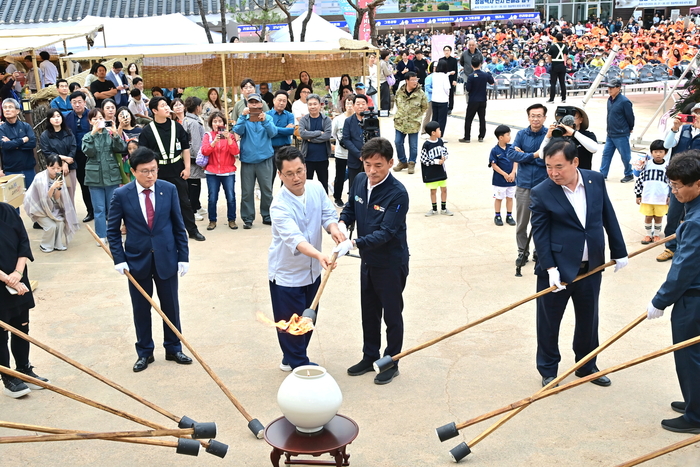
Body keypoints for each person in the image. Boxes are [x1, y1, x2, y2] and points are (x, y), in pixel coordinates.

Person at [530, 139, 628, 388]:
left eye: (559, 166)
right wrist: (550, 268)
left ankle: (586, 366)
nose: (553, 173)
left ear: (575, 162)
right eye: (548, 166)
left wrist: (620, 251)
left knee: (589, 318)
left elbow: (608, 215)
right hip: (557, 271)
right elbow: (540, 234)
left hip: (591, 266)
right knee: (549, 322)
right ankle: (549, 370)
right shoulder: (542, 191)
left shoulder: (595, 181)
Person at [106, 147, 192, 372]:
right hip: (136, 260)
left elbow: (178, 226)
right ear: (133, 171)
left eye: (154, 170)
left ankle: (174, 348)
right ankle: (145, 352)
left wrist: (183, 256)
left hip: (166, 258)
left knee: (171, 306)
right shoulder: (122, 195)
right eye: (145, 171)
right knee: (141, 309)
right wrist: (119, 259)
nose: (151, 176)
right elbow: (113, 231)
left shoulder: (168, 189)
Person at [335, 137, 409, 385]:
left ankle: (391, 361)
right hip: (367, 260)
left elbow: (387, 232)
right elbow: (350, 208)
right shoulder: (358, 180)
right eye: (367, 164)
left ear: (390, 162)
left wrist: (354, 243)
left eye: (378, 165)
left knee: (391, 314)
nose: (372, 171)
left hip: (390, 262)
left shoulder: (397, 194)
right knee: (369, 311)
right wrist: (343, 225)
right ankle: (370, 355)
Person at [268, 146, 343, 370]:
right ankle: (300, 367)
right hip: (287, 275)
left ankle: (290, 357)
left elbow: (328, 214)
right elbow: (296, 240)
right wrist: (320, 254)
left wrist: (334, 229)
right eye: (289, 174)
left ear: (305, 168)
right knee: (292, 325)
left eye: (299, 171)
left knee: (308, 320)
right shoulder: (279, 205)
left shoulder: (316, 187)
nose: (296, 178)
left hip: (313, 272)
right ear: (279, 175)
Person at [645, 151, 700, 434]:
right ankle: (695, 402)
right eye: (672, 185)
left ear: (698, 184)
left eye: (679, 186)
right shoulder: (693, 212)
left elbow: (684, 267)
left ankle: (696, 416)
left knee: (689, 355)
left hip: (694, 299)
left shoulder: (696, 221)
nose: (674, 191)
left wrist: (660, 300)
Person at [0, 202, 50, 399]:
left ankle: (24, 369)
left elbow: (23, 242)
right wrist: (7, 278)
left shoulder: (8, 211)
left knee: (22, 327)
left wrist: (18, 273)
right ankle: (8, 377)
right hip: (3, 282)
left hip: (19, 278)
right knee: (2, 333)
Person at [139, 96, 206, 241]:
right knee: (159, 204)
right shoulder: (147, 131)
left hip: (177, 169)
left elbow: (185, 148)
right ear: (154, 110)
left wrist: (187, 168)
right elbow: (144, 155)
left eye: (166, 105)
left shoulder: (177, 126)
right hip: (158, 172)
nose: (167, 108)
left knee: (184, 202)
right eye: (162, 106)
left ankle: (192, 231)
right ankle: (161, 233)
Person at [507, 103, 548, 266]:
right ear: (528, 117)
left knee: (540, 222)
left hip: (542, 186)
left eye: (539, 116)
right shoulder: (521, 134)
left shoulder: (549, 136)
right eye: (533, 115)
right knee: (522, 223)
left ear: (544, 117)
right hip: (523, 185)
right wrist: (535, 156)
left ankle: (540, 252)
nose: (535, 119)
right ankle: (522, 252)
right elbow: (511, 154)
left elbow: (548, 160)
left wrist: (525, 156)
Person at [658, 104, 700, 262]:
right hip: (679, 181)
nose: (696, 116)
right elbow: (667, 145)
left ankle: (691, 249)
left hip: (696, 183)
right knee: (674, 215)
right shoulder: (683, 130)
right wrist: (675, 128)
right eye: (695, 113)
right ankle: (670, 247)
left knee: (694, 216)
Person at [81, 108, 127, 244]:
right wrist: (94, 133)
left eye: (100, 118)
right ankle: (101, 235)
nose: (98, 121)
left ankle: (113, 234)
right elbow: (88, 151)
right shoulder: (87, 136)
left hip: (112, 176)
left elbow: (121, 148)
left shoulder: (110, 134)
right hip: (94, 178)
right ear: (90, 121)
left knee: (113, 208)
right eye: (94, 119)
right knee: (99, 209)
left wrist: (116, 133)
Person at [233, 92, 278, 229]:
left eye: (256, 102)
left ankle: (267, 215)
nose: (254, 105)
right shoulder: (244, 118)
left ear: (261, 104)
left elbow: (273, 133)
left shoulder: (268, 117)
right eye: (251, 102)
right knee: (247, 191)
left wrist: (264, 121)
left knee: (266, 189)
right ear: (247, 104)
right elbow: (237, 132)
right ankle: (248, 218)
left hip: (265, 159)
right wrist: (242, 116)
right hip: (247, 160)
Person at [23, 154, 80, 252]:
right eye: (52, 168)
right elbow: (44, 199)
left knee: (60, 222)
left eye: (58, 168)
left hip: (51, 206)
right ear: (47, 167)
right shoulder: (40, 178)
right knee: (51, 226)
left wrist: (57, 188)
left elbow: (57, 198)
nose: (55, 170)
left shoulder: (60, 177)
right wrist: (53, 187)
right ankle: (45, 245)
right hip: (37, 207)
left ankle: (57, 244)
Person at [201, 111, 239, 230]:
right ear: (211, 123)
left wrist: (228, 139)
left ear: (224, 123)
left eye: (220, 121)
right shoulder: (208, 136)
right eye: (215, 121)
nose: (217, 124)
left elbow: (235, 152)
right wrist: (214, 142)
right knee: (212, 198)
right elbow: (204, 151)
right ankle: (212, 220)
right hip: (212, 172)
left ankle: (232, 220)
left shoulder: (230, 136)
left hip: (228, 171)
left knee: (231, 197)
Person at [65, 91, 94, 222]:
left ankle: (103, 211)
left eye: (79, 102)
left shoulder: (92, 115)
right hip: (77, 155)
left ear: (84, 102)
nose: (77, 105)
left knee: (97, 183)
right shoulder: (67, 118)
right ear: (70, 103)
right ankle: (90, 211)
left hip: (93, 154)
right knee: (84, 183)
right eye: (74, 102)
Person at [599, 79, 635, 183]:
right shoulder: (609, 100)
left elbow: (630, 116)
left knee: (625, 155)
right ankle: (602, 174)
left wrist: (630, 128)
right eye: (608, 87)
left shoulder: (624, 101)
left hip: (621, 133)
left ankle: (629, 174)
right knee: (606, 154)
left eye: (612, 87)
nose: (609, 89)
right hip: (610, 133)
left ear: (618, 88)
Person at [634, 140, 669, 244]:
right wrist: (638, 194)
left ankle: (657, 234)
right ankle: (648, 234)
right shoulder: (646, 164)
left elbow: (671, 182)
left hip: (661, 197)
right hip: (647, 197)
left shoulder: (668, 166)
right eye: (655, 152)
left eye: (661, 152)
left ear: (665, 153)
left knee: (659, 217)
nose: (658, 154)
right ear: (651, 152)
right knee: (648, 216)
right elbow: (639, 179)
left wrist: (670, 196)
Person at [392, 72, 428, 175]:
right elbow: (397, 102)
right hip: (400, 122)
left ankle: (411, 163)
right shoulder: (400, 91)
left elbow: (424, 107)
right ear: (407, 81)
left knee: (413, 145)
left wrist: (416, 116)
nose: (415, 82)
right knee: (398, 142)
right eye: (413, 80)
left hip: (413, 123)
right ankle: (402, 161)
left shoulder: (420, 93)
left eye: (416, 80)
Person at [39, 109, 77, 203]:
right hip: (54, 169)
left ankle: (70, 216)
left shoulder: (68, 132)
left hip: (70, 168)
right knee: (58, 195)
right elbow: (47, 152)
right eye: (53, 117)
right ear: (49, 120)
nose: (56, 119)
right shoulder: (45, 135)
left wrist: (66, 163)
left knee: (70, 194)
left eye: (58, 116)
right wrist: (63, 160)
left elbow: (73, 148)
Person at [0, 99, 37, 193]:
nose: (7, 110)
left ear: (17, 111)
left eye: (10, 107)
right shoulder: (1, 129)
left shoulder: (26, 126)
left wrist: (14, 144)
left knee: (32, 200)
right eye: (5, 108)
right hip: (11, 170)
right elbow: (5, 145)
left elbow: (32, 143)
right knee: (13, 203)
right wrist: (22, 140)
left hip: (28, 168)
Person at [298, 93, 332, 193]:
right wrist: (318, 133)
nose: (312, 106)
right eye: (310, 104)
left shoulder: (326, 119)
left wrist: (311, 138)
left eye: (315, 104)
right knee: (307, 184)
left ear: (320, 105)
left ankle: (324, 205)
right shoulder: (304, 119)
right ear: (307, 105)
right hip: (307, 157)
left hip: (323, 157)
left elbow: (327, 135)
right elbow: (302, 134)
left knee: (323, 183)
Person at [181, 97, 206, 221]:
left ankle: (196, 205)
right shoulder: (194, 123)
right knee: (194, 185)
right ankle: (192, 209)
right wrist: (201, 160)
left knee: (194, 183)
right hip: (194, 158)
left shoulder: (186, 119)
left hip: (189, 157)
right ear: (197, 107)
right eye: (201, 106)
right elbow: (196, 143)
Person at [420, 121, 452, 216]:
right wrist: (437, 161)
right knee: (433, 191)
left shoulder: (440, 141)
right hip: (431, 172)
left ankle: (443, 208)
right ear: (433, 132)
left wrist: (444, 157)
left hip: (441, 171)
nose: (440, 131)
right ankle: (434, 209)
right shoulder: (426, 145)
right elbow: (423, 159)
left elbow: (445, 151)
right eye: (439, 130)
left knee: (444, 189)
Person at [460, 57, 494, 144]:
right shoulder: (485, 75)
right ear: (480, 64)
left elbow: (468, 89)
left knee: (469, 119)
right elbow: (492, 82)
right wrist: (489, 72)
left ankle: (467, 137)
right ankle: (481, 136)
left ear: (472, 66)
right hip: (482, 99)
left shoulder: (471, 76)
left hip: (473, 100)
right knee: (482, 118)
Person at [489, 124, 517, 226]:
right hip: (500, 181)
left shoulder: (512, 148)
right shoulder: (495, 150)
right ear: (501, 137)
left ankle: (509, 215)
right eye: (508, 135)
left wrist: (513, 172)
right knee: (499, 198)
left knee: (510, 197)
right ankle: (497, 215)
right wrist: (504, 174)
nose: (510, 137)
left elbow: (516, 160)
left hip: (512, 179)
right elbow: (494, 164)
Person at [268, 91, 295, 184]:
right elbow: (269, 132)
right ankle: (268, 198)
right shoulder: (267, 115)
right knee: (270, 176)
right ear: (274, 100)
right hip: (270, 149)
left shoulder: (290, 115)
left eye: (284, 101)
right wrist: (284, 130)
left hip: (285, 148)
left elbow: (291, 131)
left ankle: (285, 197)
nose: (281, 103)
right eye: (279, 100)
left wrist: (274, 129)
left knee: (286, 175)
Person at [342, 94, 369, 190]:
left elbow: (377, 138)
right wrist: (359, 155)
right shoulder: (348, 121)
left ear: (367, 105)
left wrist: (368, 155)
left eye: (363, 104)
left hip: (370, 159)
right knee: (354, 186)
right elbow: (346, 139)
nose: (361, 106)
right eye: (358, 104)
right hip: (354, 159)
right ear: (353, 105)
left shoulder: (372, 120)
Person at [331, 96, 353, 207]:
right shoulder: (338, 119)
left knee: (354, 177)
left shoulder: (357, 118)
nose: (349, 106)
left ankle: (352, 198)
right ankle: (337, 197)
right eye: (347, 103)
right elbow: (333, 133)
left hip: (354, 153)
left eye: (352, 103)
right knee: (339, 176)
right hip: (341, 153)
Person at [431, 60, 452, 139]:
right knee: (442, 119)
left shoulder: (434, 75)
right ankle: (440, 135)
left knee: (435, 118)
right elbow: (447, 88)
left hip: (434, 99)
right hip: (443, 100)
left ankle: (433, 134)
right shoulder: (444, 76)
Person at [547, 34, 568, 103]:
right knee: (562, 82)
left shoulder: (553, 46)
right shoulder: (565, 46)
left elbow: (549, 56)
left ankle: (552, 99)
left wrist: (550, 62)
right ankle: (563, 98)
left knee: (553, 82)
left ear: (556, 38)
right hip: (562, 65)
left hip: (555, 64)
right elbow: (566, 57)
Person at [441, 46, 459, 115]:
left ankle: (450, 108)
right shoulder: (441, 60)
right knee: (443, 93)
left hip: (451, 79)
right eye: (445, 50)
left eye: (448, 50)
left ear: (450, 51)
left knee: (451, 94)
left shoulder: (454, 60)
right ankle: (444, 107)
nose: (446, 52)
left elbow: (456, 71)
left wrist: (455, 80)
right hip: (443, 79)